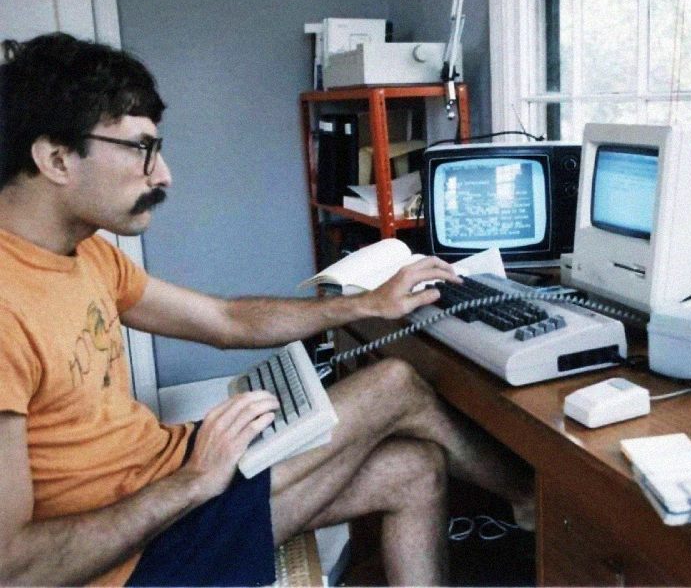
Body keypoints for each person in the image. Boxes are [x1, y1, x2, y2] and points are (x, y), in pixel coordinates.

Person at [0, 32, 533, 587]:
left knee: (414, 469)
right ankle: (535, 504)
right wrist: (194, 481)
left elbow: (226, 321)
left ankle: (528, 504)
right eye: (141, 149)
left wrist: (368, 303)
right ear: (57, 158)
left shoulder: (86, 254)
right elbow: (13, 568)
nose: (163, 175)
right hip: (137, 558)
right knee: (394, 383)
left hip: (170, 484)